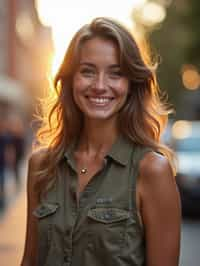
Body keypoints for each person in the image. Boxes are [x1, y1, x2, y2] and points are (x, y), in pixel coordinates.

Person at [21, 17, 181, 266]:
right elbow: (30, 261)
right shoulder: (41, 166)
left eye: (115, 74)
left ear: (131, 84)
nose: (99, 86)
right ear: (70, 79)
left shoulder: (151, 170)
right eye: (88, 71)